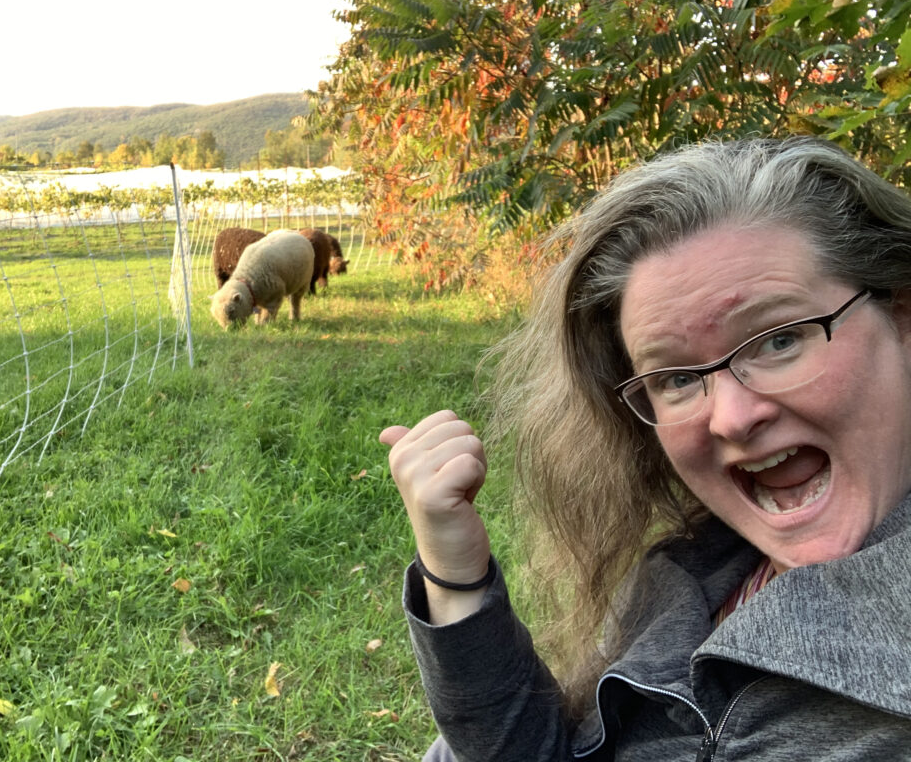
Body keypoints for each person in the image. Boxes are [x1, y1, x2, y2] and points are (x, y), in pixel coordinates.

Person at [379, 136, 911, 761]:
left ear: (901, 317)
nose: (732, 418)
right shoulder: (696, 571)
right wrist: (456, 579)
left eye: (779, 340)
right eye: (677, 379)